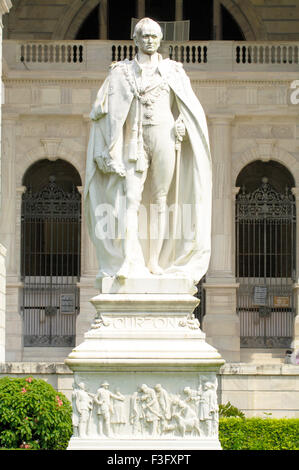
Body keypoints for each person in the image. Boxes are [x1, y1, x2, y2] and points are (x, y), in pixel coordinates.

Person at [84, 17, 212, 282]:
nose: (150, 41)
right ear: (135, 39)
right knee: (130, 199)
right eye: (145, 36)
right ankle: (130, 260)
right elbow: (103, 112)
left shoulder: (174, 71)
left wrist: (182, 124)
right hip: (134, 140)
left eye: (154, 36)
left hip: (165, 137)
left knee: (161, 200)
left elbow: (190, 109)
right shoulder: (120, 72)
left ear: (160, 40)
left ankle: (154, 261)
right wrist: (107, 149)